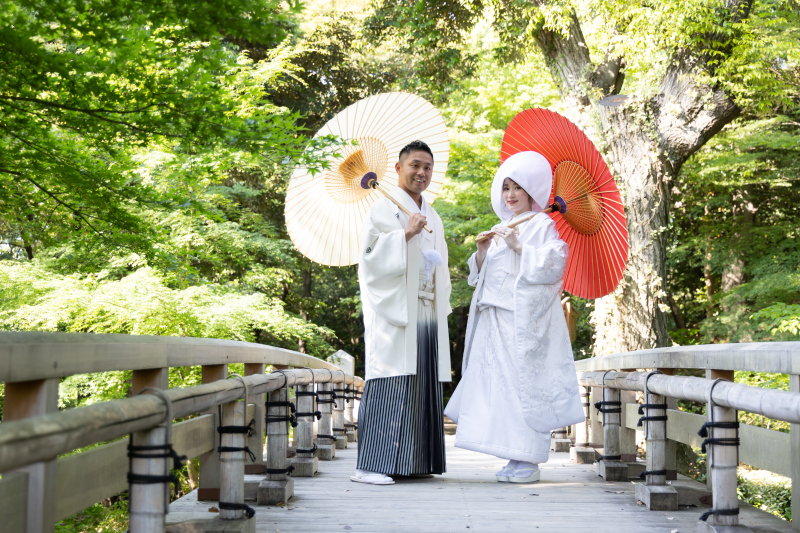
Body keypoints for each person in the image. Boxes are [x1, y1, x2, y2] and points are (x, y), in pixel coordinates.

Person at [444, 151, 584, 484]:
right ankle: (513, 454)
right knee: (499, 388)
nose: (510, 194)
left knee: (523, 386)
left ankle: (529, 459)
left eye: (517, 187)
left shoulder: (542, 224)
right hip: (494, 318)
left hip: (520, 321)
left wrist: (520, 247)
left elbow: (555, 263)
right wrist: (481, 253)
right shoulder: (502, 226)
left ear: (531, 191)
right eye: (506, 187)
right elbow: (483, 276)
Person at [352, 140, 452, 485]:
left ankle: (414, 461)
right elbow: (369, 259)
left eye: (427, 167)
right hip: (395, 309)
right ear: (398, 168)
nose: (421, 172)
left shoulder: (432, 215)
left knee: (422, 380)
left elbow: (441, 263)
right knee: (391, 379)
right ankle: (370, 465)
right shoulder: (383, 209)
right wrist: (405, 234)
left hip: (425, 306)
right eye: (415, 165)